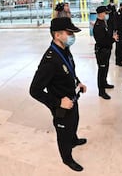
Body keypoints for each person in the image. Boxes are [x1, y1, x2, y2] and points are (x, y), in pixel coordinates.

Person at [30, 17, 87, 172]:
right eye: (69, 33)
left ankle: (74, 140)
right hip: (61, 106)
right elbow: (34, 90)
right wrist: (58, 103)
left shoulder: (64, 50)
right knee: (64, 133)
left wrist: (78, 83)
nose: (72, 36)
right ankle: (67, 158)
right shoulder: (49, 61)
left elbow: (69, 71)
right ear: (57, 35)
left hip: (72, 99)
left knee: (74, 121)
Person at [93, 6, 119, 100]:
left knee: (105, 68)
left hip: (106, 50)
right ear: (100, 13)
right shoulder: (98, 26)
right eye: (105, 13)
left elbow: (106, 36)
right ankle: (101, 91)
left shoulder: (103, 23)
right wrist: (113, 39)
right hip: (102, 51)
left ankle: (104, 83)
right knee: (102, 70)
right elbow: (101, 41)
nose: (106, 15)